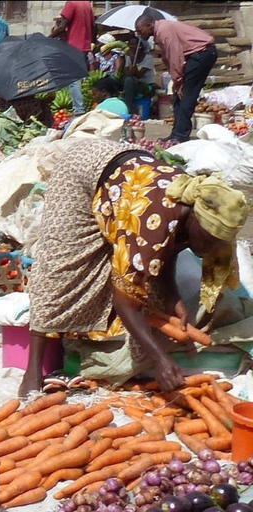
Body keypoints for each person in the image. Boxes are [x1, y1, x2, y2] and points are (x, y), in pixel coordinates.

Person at [18, 139, 250, 396]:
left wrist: (173, 296)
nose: (209, 250)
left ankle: (90, 346)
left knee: (152, 292)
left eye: (217, 245)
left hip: (126, 177)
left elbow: (167, 250)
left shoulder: (189, 207)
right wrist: (160, 359)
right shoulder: (152, 222)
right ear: (193, 217)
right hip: (82, 172)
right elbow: (125, 302)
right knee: (61, 271)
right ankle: (33, 370)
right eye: (207, 241)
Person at [136, 14, 217, 143]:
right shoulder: (160, 31)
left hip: (202, 54)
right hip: (196, 55)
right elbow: (168, 57)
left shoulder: (164, 30)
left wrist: (178, 80)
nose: (139, 34)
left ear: (149, 25)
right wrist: (176, 81)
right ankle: (176, 133)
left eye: (140, 31)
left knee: (187, 95)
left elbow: (175, 55)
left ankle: (181, 135)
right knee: (178, 96)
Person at [50, 1, 94, 117]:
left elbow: (62, 27)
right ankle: (83, 107)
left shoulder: (72, 3)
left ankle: (79, 109)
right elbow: (92, 26)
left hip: (74, 46)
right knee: (82, 80)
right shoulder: (86, 4)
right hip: (85, 46)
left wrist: (48, 38)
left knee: (72, 81)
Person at [123, 37, 156, 115]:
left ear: (140, 46)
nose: (131, 46)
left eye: (133, 44)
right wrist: (131, 59)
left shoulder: (148, 58)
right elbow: (127, 73)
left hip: (146, 87)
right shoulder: (129, 58)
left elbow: (139, 75)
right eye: (130, 44)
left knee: (129, 80)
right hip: (134, 85)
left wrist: (132, 59)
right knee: (128, 80)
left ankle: (129, 109)